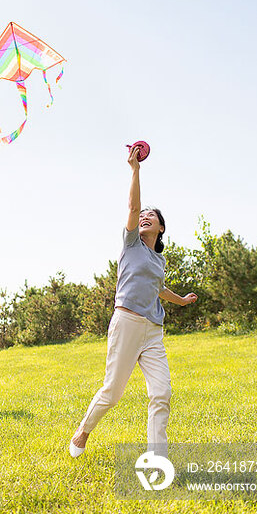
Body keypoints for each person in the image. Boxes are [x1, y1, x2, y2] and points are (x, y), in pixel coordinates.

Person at [69, 146, 197, 457]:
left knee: (162, 393)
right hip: (126, 323)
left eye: (150, 216)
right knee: (113, 393)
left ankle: (158, 457)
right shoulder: (131, 244)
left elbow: (158, 289)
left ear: (161, 227)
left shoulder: (158, 259)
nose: (143, 217)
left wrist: (181, 300)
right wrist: (136, 170)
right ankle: (83, 431)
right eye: (142, 216)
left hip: (152, 330)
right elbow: (132, 204)